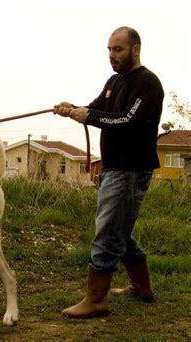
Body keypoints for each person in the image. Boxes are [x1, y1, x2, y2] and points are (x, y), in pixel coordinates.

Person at [53, 26, 164, 318]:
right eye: (109, 50)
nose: (112, 56)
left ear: (135, 49)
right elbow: (95, 110)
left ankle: (96, 300)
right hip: (115, 168)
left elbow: (127, 120)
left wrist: (90, 115)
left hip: (131, 170)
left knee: (108, 232)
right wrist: (73, 109)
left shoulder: (147, 83)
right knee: (120, 233)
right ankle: (142, 288)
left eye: (118, 50)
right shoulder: (114, 81)